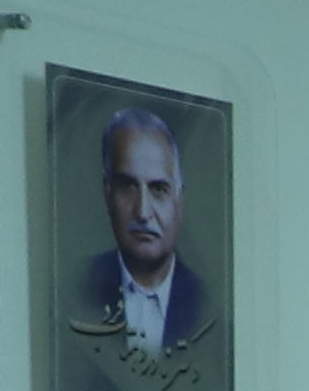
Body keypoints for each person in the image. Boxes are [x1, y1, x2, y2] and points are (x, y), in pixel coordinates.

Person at [67, 103, 208, 352]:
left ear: (179, 200)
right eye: (128, 186)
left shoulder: (210, 309)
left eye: (158, 189)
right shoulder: (72, 291)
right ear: (107, 193)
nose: (143, 212)